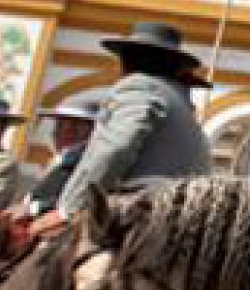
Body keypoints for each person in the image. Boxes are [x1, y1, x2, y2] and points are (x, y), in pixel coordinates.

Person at [56, 21, 213, 217]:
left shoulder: (139, 86)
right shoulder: (181, 107)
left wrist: (67, 211)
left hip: (143, 214)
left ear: (126, 62)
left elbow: (114, 148)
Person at [24, 102, 100, 217]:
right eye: (61, 124)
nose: (66, 131)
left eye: (76, 125)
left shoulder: (83, 161)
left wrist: (32, 208)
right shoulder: (60, 159)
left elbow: (74, 199)